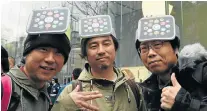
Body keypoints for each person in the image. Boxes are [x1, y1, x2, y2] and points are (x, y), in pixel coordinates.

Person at [52, 15, 146, 111]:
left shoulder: (132, 89)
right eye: (93, 46)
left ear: (115, 48)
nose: (101, 51)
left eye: (106, 44)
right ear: (85, 53)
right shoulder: (72, 91)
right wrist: (66, 105)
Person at [135, 16, 207, 111]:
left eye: (157, 45)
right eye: (144, 48)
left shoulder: (202, 72)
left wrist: (182, 102)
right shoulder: (145, 91)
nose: (150, 53)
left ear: (175, 48)